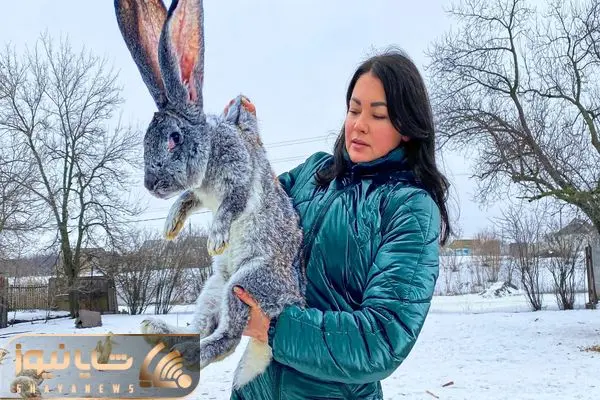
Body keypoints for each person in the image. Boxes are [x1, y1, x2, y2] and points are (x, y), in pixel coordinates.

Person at [229, 48, 451, 400]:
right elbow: (259, 209)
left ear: (406, 129)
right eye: (354, 109)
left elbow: (382, 338)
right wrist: (247, 149)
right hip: (255, 388)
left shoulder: (408, 207)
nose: (359, 124)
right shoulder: (313, 173)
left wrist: (273, 327)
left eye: (378, 115)